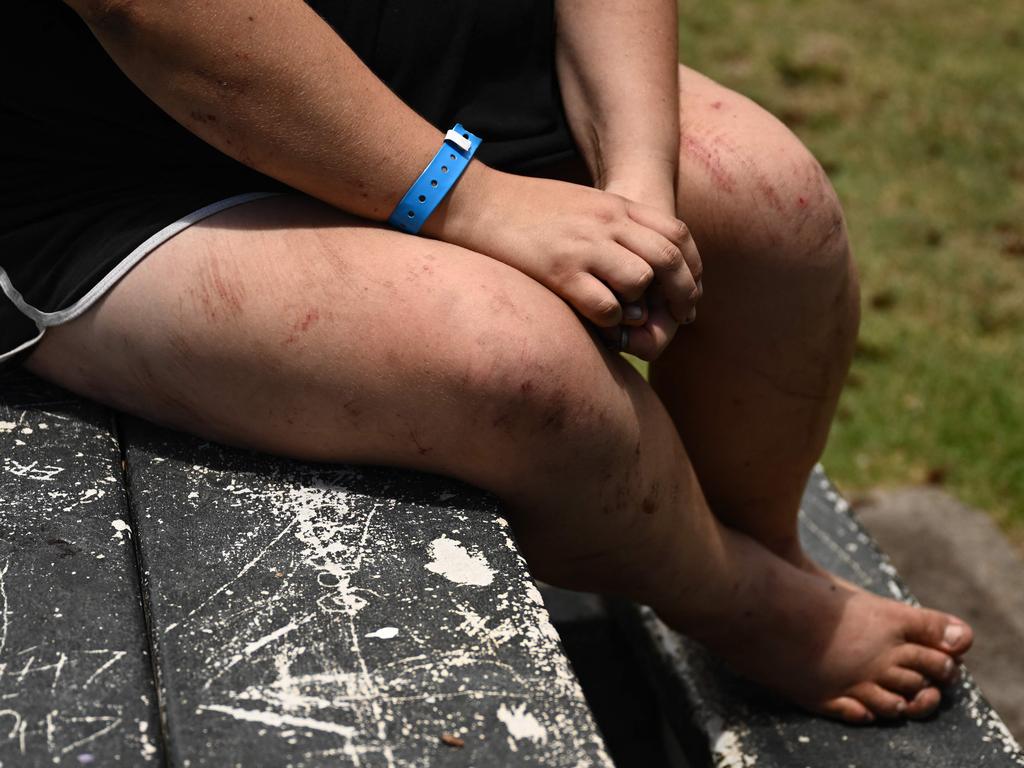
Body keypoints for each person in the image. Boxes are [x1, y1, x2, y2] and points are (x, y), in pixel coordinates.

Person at [1, 0, 972, 723]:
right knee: (513, 361)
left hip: (446, 56)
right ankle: (736, 597)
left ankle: (753, 539)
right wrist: (471, 205)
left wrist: (641, 181)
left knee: (770, 204)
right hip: (121, 154)